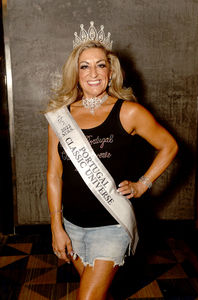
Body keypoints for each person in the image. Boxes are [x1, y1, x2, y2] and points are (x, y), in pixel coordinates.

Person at [46, 21, 178, 300]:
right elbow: (54, 175)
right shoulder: (60, 117)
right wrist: (56, 226)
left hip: (112, 225)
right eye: (85, 66)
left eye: (100, 65)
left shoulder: (129, 112)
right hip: (72, 225)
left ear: (110, 70)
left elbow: (169, 145)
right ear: (76, 72)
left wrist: (143, 184)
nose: (93, 73)